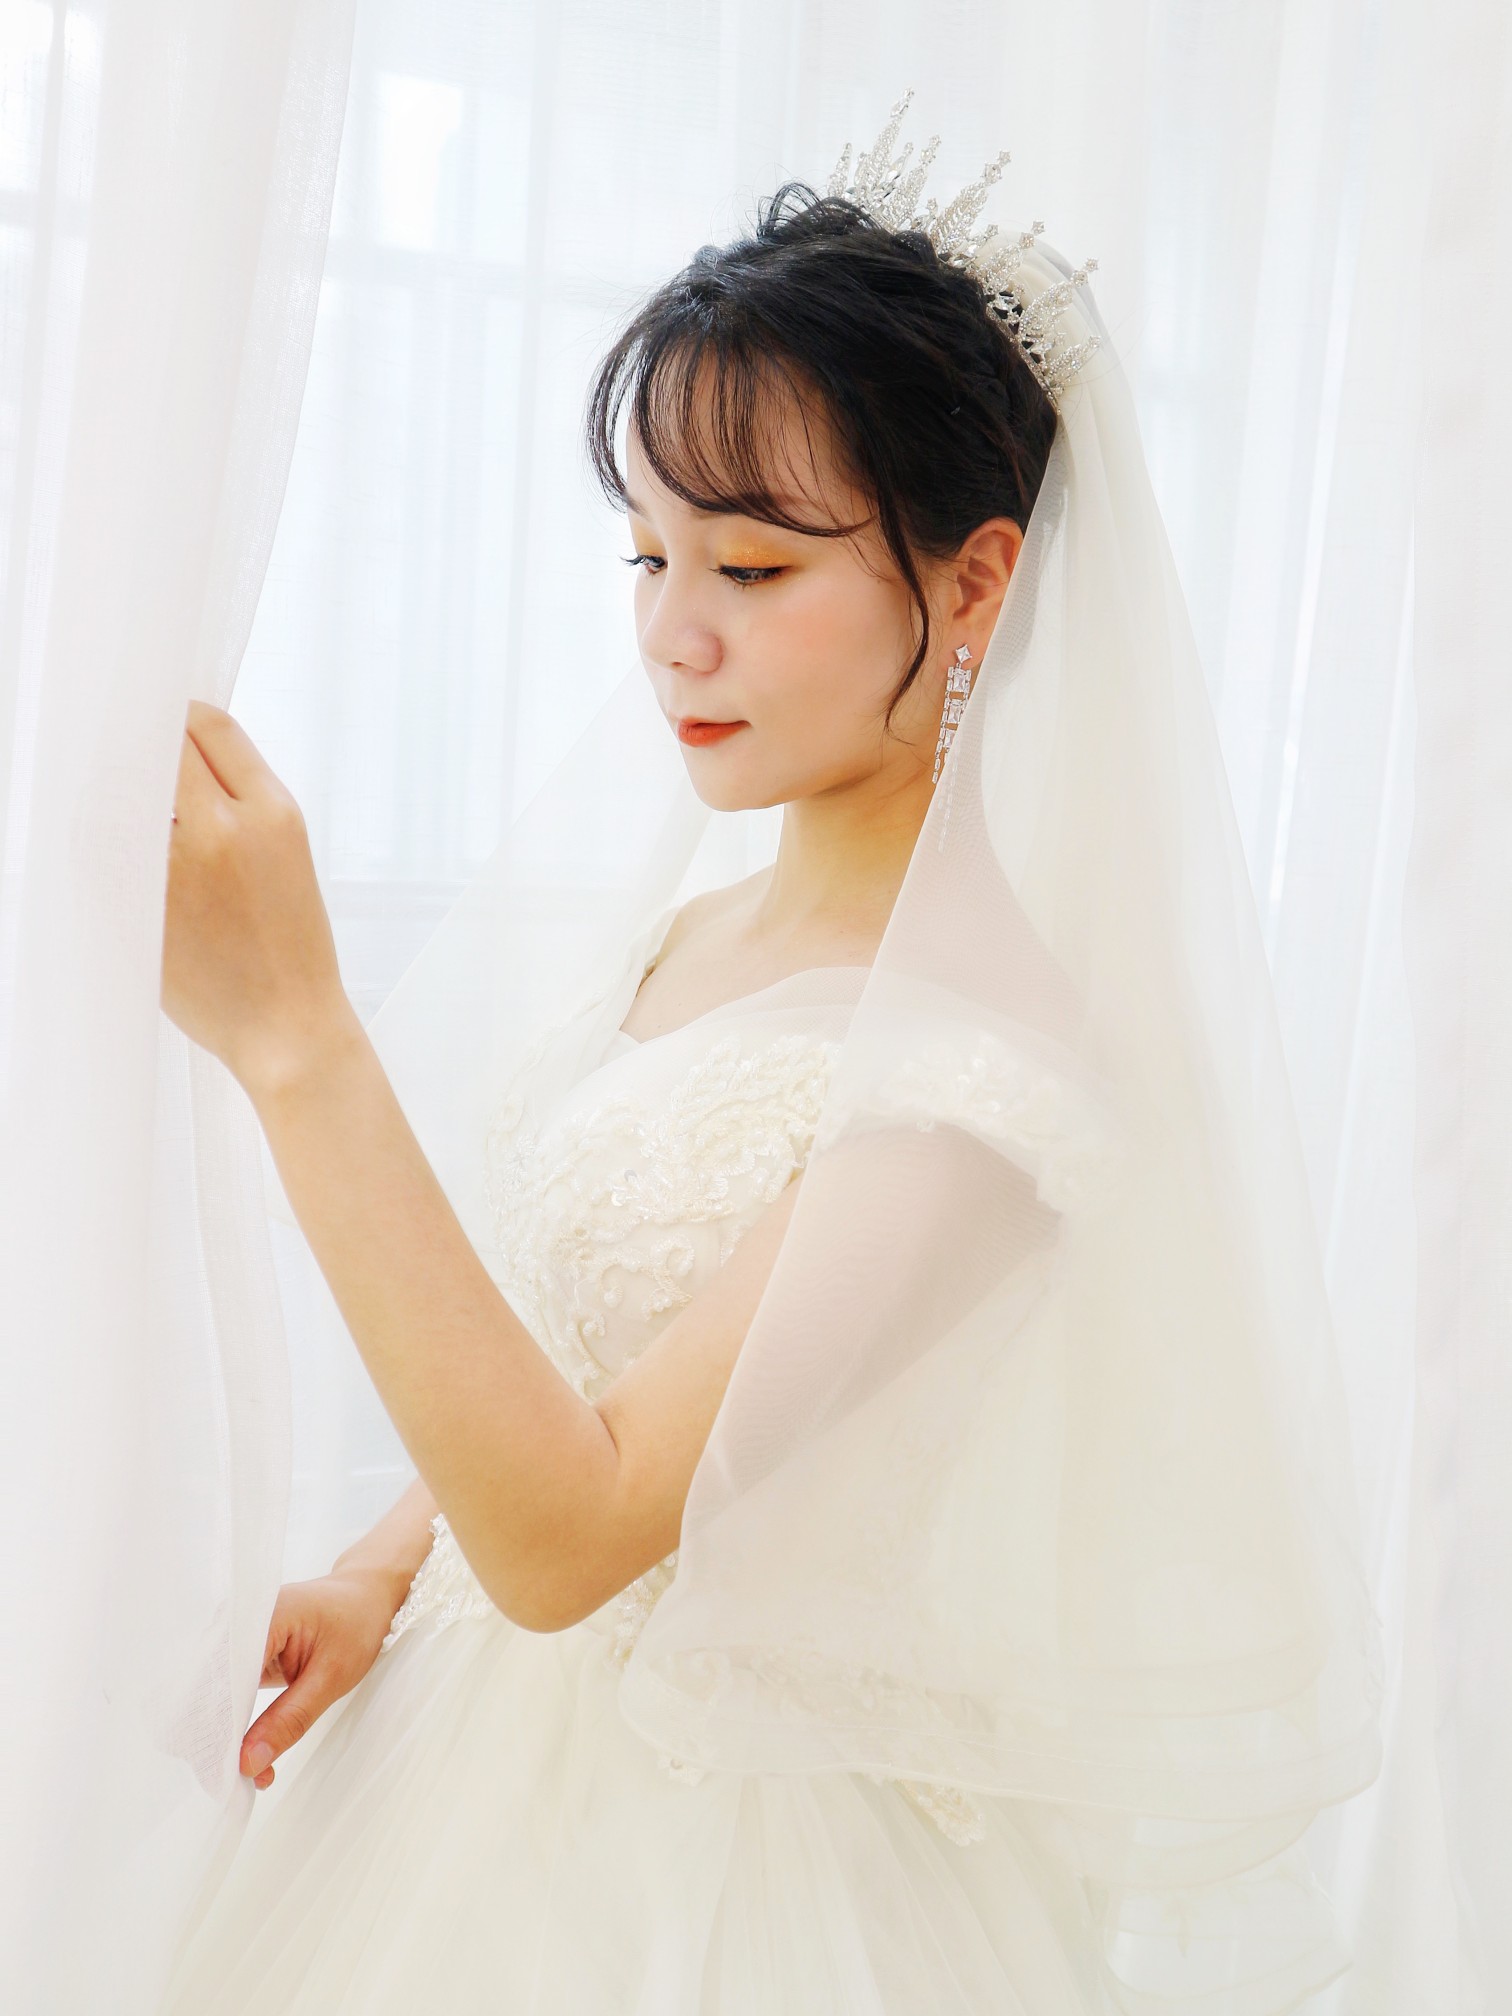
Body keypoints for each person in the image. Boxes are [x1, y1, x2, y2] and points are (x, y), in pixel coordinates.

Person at [159, 94, 1382, 2015]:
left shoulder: (984, 1074)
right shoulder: (692, 935)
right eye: (646, 558)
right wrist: (384, 1568)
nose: (673, 637)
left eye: (750, 569)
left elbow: (579, 1534)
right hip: (458, 1777)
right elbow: (591, 1349)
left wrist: (298, 1038)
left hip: (716, 1875)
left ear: (975, 583)